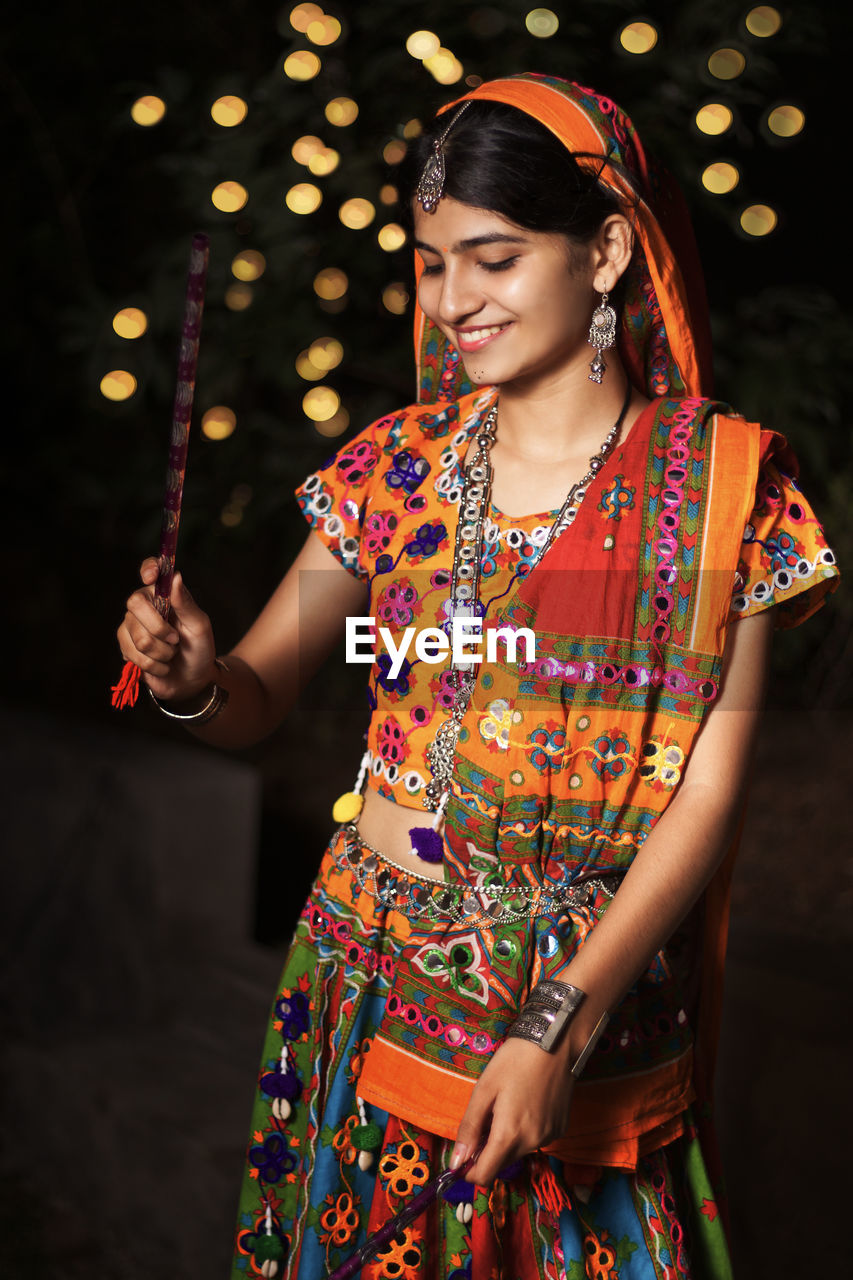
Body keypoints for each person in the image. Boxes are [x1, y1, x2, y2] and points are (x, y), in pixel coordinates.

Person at [117, 75, 838, 1280]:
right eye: (432, 264)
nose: (454, 301)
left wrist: (557, 1020)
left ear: (604, 249)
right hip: (365, 973)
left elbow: (705, 800)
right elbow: (256, 695)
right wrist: (193, 676)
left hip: (581, 1013)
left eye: (492, 259)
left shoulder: (728, 491)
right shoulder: (392, 468)